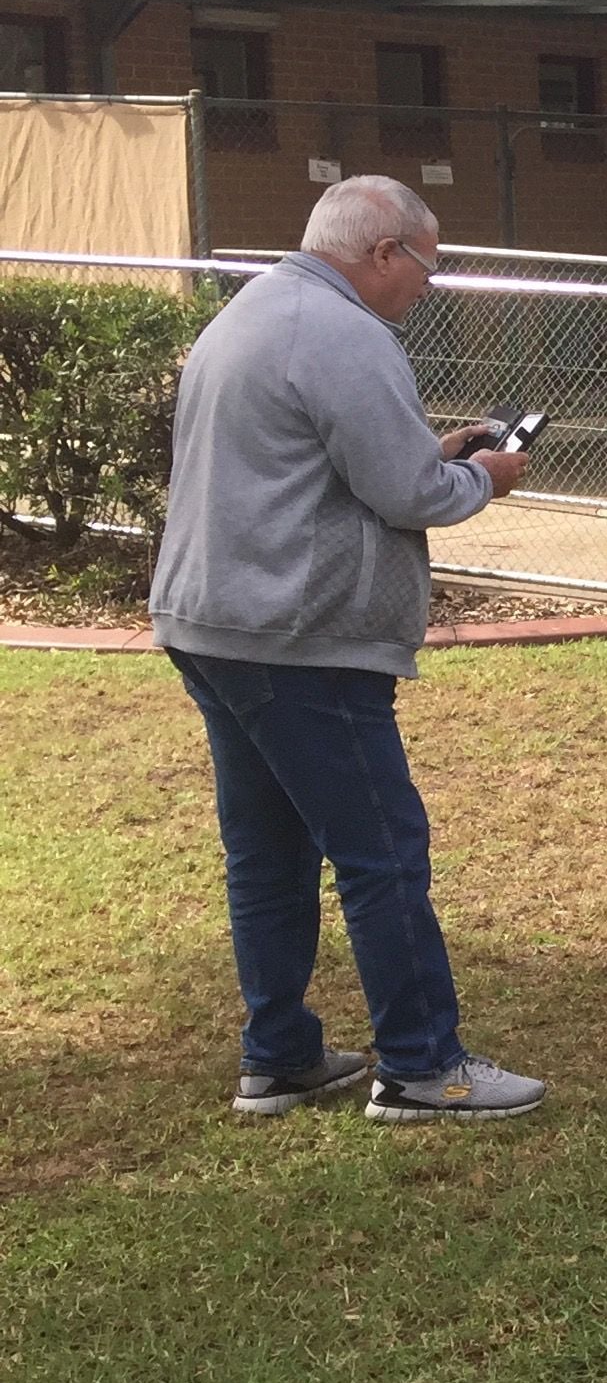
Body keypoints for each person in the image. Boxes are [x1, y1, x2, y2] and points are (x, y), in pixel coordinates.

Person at [149, 176, 549, 1122]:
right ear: (383, 252)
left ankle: (279, 1056)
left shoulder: (254, 311)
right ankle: (422, 1065)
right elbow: (411, 496)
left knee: (269, 849)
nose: (426, 285)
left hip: (214, 623)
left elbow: (315, 463)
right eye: (426, 267)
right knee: (383, 850)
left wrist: (433, 450)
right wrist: (484, 476)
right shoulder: (348, 334)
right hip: (303, 639)